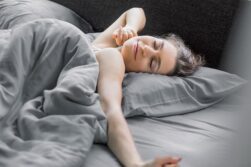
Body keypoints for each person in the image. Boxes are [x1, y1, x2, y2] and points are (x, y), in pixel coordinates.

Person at [92, 7, 205, 167]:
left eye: (152, 62)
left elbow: (111, 111)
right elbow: (136, 11)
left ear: (145, 74)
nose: (146, 49)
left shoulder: (113, 60)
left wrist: (136, 164)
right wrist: (131, 27)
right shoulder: (106, 43)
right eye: (155, 43)